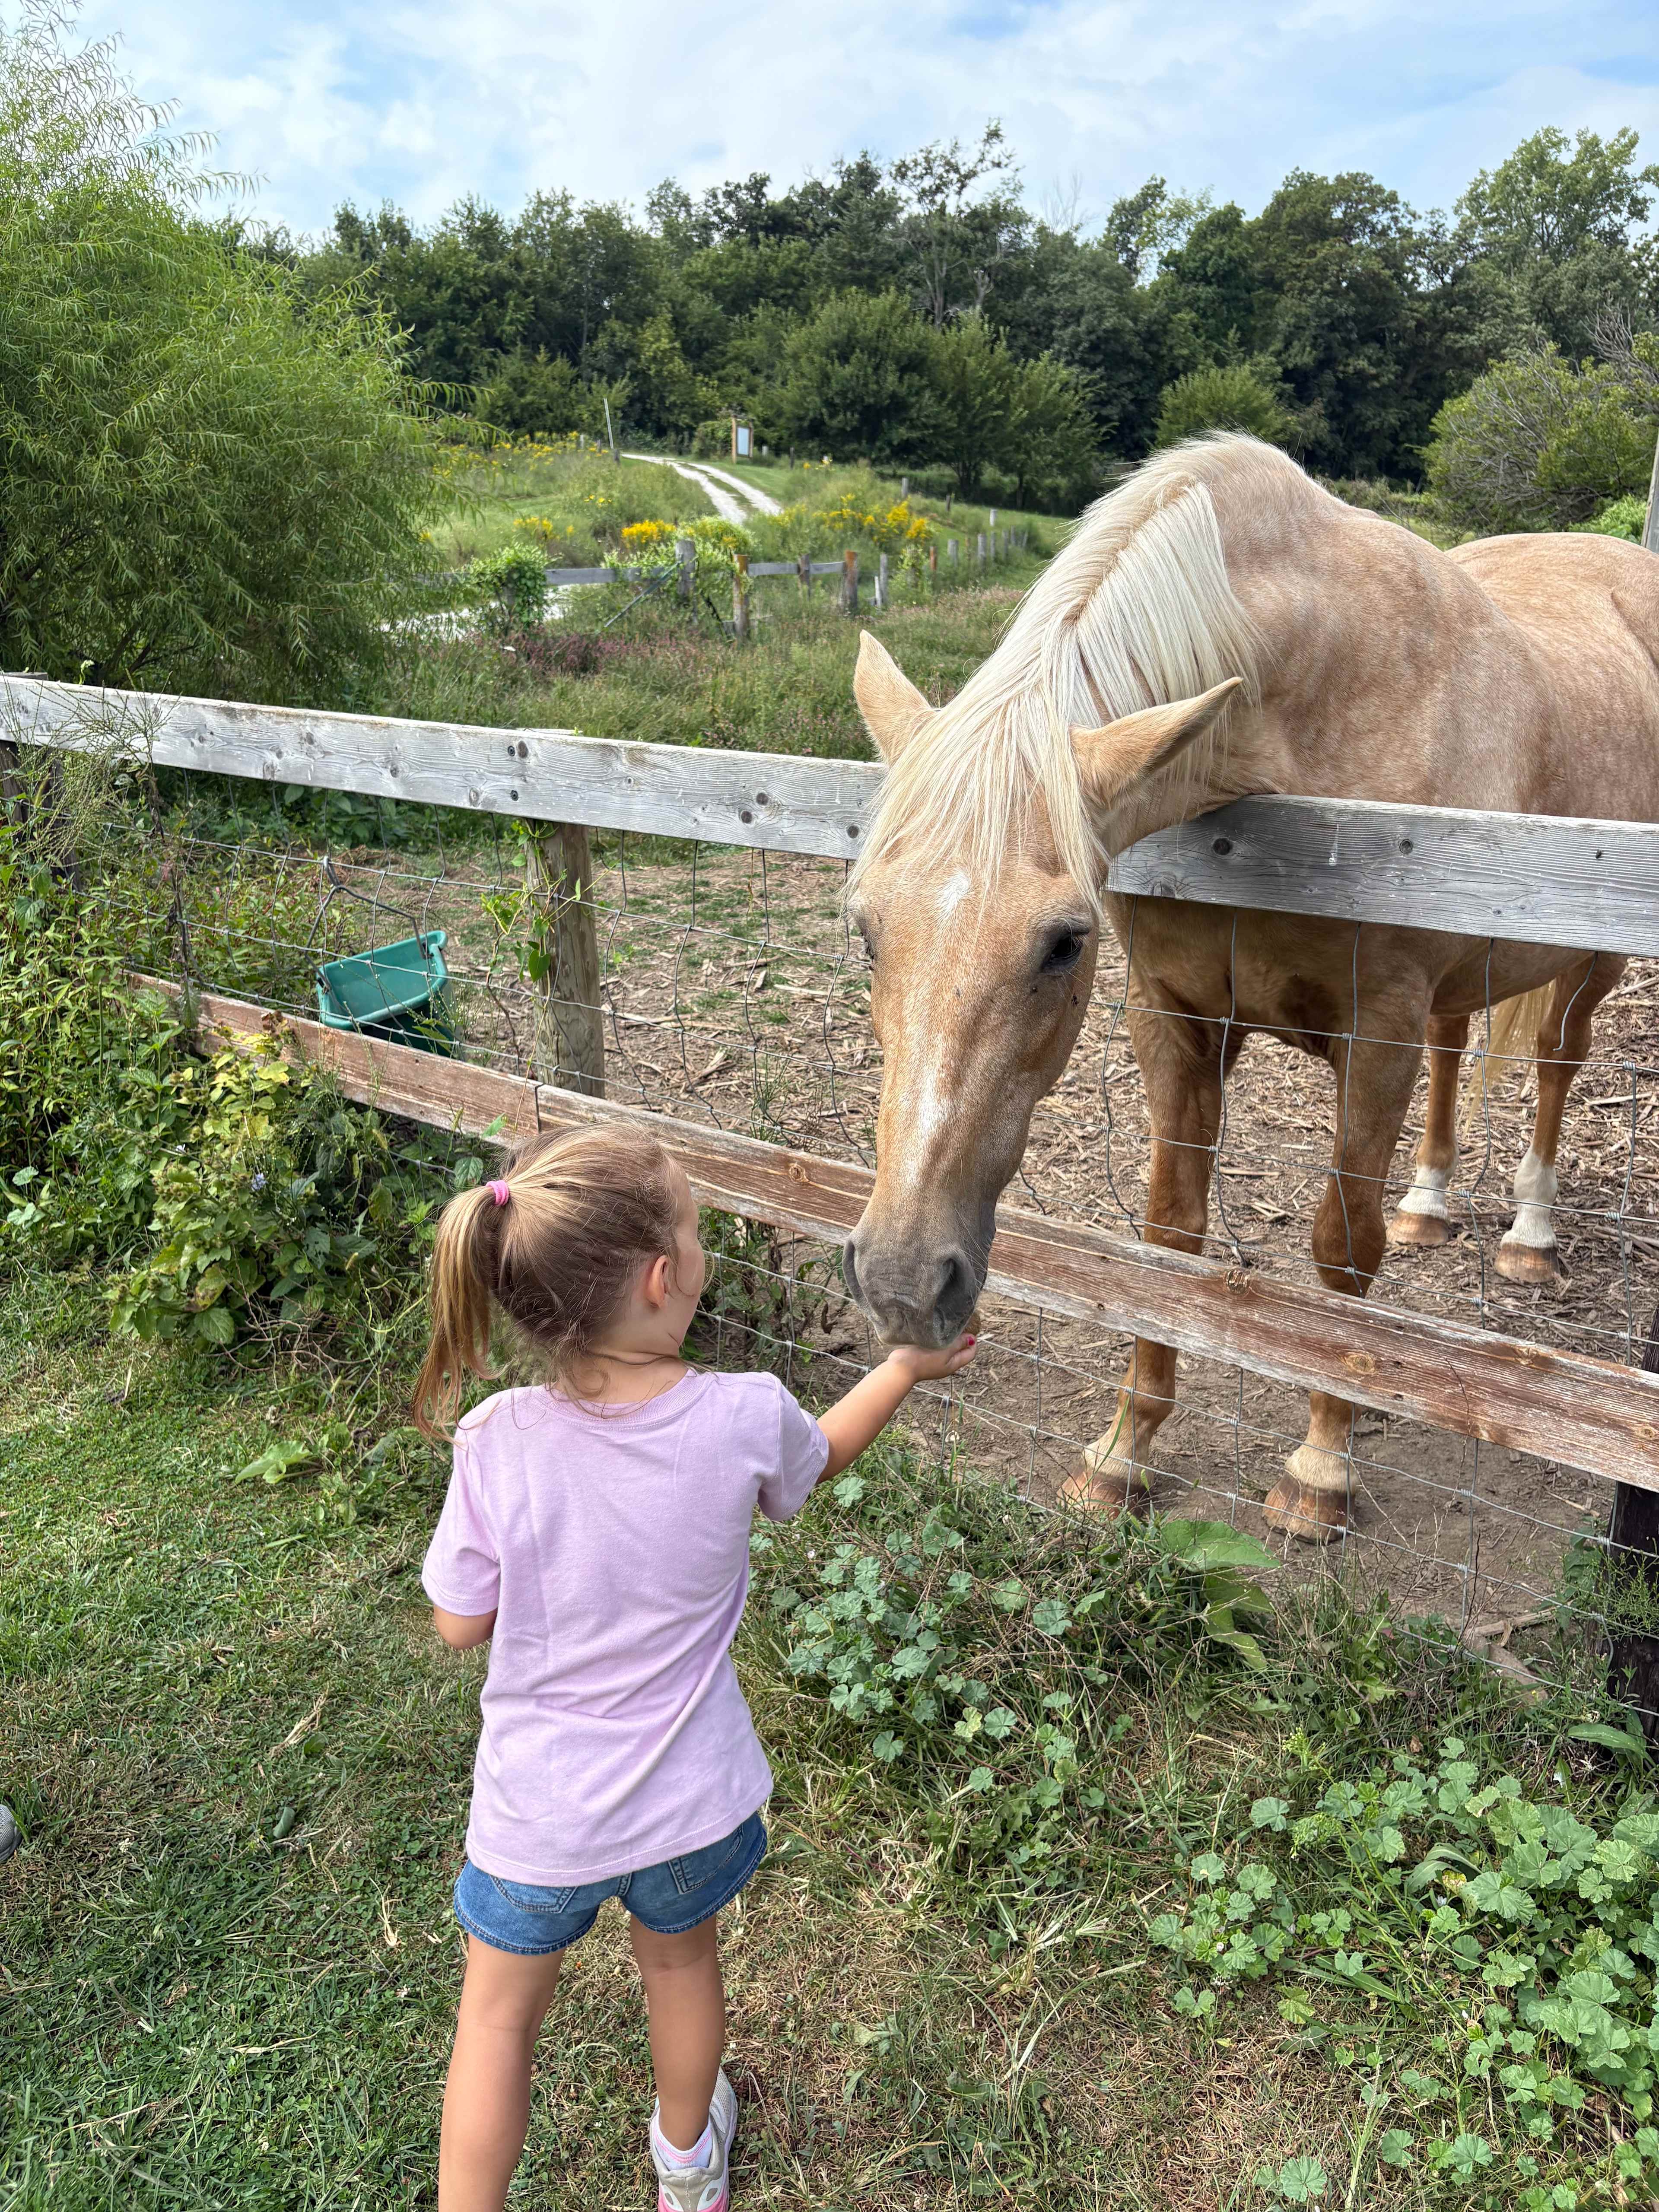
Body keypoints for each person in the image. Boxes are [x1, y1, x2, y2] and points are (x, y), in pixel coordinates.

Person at [414, 1127, 976, 2212]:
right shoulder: (743, 1414)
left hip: (541, 1818)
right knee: (678, 1971)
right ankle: (687, 2168)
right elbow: (820, 1452)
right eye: (697, 1231)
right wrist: (901, 1368)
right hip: (689, 1804)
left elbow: (456, 1622)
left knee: (494, 2019)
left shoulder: (495, 1439)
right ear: (666, 1277)